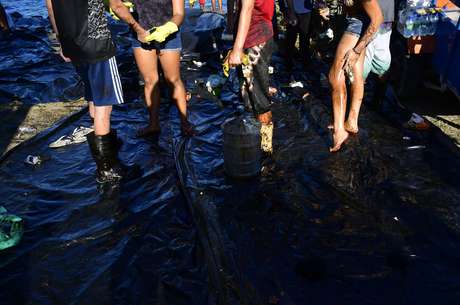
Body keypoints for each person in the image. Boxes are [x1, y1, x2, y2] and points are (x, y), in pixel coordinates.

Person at [45, 0, 146, 183]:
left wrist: (62, 40)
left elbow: (51, 8)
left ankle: (108, 150)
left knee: (93, 97)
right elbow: (116, 6)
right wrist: (138, 28)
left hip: (72, 43)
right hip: (98, 46)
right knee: (103, 107)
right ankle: (107, 169)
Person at [126, 0, 192, 136]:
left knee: (173, 79)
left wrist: (167, 29)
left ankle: (185, 123)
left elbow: (179, 14)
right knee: (150, 81)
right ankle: (153, 124)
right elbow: (120, 7)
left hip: (169, 36)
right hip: (141, 34)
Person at [328, 0, 383, 152]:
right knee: (356, 74)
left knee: (335, 76)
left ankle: (339, 132)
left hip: (357, 27)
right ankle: (352, 120)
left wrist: (357, 50)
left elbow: (378, 19)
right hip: (356, 24)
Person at [225, 0, 275, 153]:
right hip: (257, 34)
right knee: (252, 96)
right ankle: (258, 143)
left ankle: (265, 149)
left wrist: (237, 49)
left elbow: (246, 9)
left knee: (259, 100)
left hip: (254, 38)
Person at [282, 0, 313, 68]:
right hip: (293, 10)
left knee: (305, 37)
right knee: (291, 37)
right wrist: (291, 13)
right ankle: (288, 62)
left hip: (306, 10)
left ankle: (305, 61)